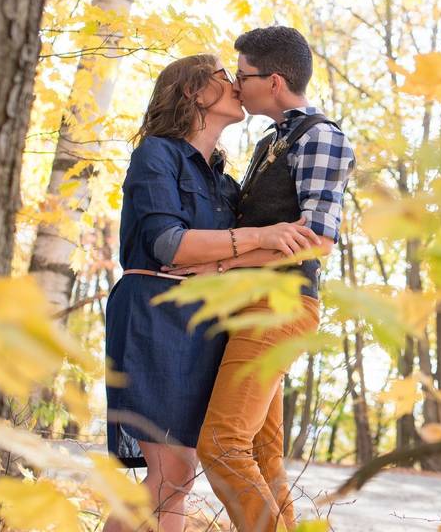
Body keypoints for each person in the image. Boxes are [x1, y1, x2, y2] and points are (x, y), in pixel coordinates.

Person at [103, 53, 321, 532]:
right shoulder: (156, 154)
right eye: (224, 77)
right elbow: (168, 244)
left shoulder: (223, 180)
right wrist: (261, 238)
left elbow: (226, 255)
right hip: (155, 314)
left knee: (179, 479)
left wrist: (249, 254)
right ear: (192, 92)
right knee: (171, 475)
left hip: (206, 321)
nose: (237, 84)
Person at [164, 26, 355, 531]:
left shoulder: (321, 136)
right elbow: (267, 232)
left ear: (273, 81)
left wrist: (220, 265)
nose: (235, 85)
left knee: (221, 444)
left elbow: (317, 238)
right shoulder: (273, 141)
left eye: (242, 76)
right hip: (249, 303)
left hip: (279, 303)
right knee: (264, 454)